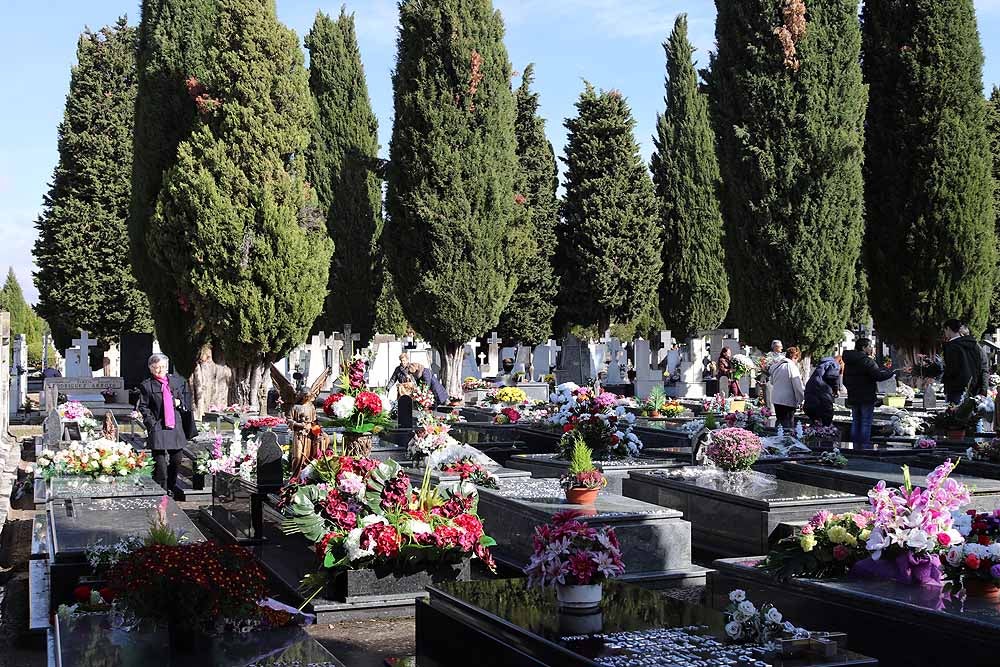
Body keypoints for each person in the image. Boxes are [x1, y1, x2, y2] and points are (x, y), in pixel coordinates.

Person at [137, 353, 195, 494]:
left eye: (163, 367)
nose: (160, 370)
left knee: (177, 460)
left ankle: (171, 485)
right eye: (156, 367)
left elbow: (185, 400)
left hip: (175, 425)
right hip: (158, 426)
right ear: (151, 368)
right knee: (160, 465)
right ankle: (162, 491)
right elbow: (143, 406)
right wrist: (151, 423)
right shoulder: (147, 385)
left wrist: (178, 403)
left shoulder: (176, 382)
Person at [843, 338, 895, 449]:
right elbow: (878, 376)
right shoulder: (867, 361)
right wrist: (891, 373)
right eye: (869, 346)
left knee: (856, 421)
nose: (871, 348)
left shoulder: (849, 361)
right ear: (864, 347)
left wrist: (852, 389)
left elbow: (845, 381)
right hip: (867, 396)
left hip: (853, 396)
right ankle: (864, 447)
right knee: (865, 422)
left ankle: (854, 447)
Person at [942, 319, 982, 404]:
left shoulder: (951, 346)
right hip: (973, 385)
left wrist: (945, 378)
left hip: (956, 387)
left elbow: (952, 368)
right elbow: (979, 364)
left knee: (955, 410)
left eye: (945, 330)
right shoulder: (973, 344)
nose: (945, 333)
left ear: (948, 329)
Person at [770, 347, 804, 429]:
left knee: (779, 422)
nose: (797, 362)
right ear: (794, 357)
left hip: (776, 399)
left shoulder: (777, 366)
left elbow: (772, 382)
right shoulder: (792, 367)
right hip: (788, 400)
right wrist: (801, 400)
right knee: (787, 424)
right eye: (797, 359)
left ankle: (777, 436)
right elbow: (797, 386)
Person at [803, 354, 841, 426]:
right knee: (826, 417)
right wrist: (836, 389)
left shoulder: (822, 365)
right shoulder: (834, 364)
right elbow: (832, 376)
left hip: (811, 394)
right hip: (822, 392)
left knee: (815, 419)